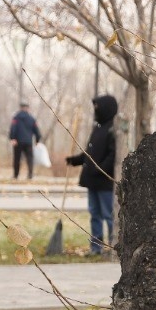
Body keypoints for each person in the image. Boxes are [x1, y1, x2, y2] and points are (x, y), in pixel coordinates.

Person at [66, 95, 118, 255]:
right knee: (94, 214)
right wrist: (75, 160)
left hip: (104, 181)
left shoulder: (112, 130)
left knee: (109, 215)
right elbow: (89, 153)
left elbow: (113, 155)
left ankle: (113, 246)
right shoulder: (98, 128)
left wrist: (99, 169)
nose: (95, 110)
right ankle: (96, 247)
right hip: (92, 181)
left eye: (97, 107)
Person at [9, 102, 42, 180]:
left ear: (20, 108)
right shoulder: (31, 118)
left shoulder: (16, 117)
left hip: (18, 142)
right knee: (29, 158)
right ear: (27, 108)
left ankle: (15, 175)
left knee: (17, 159)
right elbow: (36, 130)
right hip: (28, 142)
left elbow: (13, 128)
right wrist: (37, 140)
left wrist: (12, 138)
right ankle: (30, 175)